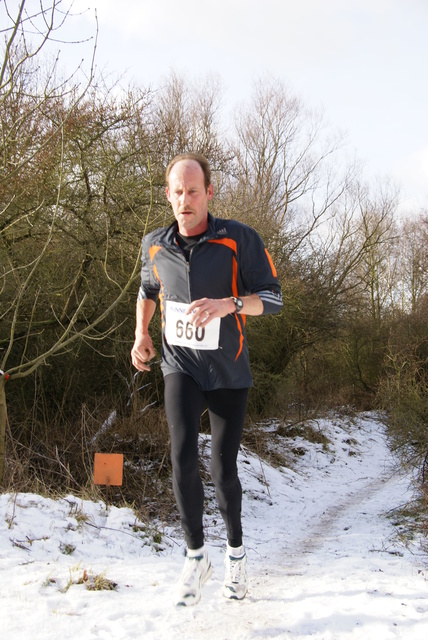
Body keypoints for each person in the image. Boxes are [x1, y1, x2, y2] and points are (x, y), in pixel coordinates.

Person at [131, 153, 283, 606]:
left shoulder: (239, 239)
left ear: (209, 192)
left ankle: (235, 554)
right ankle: (196, 555)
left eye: (193, 191)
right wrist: (141, 332)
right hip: (180, 364)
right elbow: (147, 289)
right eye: (177, 192)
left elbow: (273, 300)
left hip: (229, 371)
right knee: (180, 454)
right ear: (168, 195)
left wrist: (230, 304)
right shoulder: (154, 244)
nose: (185, 200)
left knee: (221, 468)